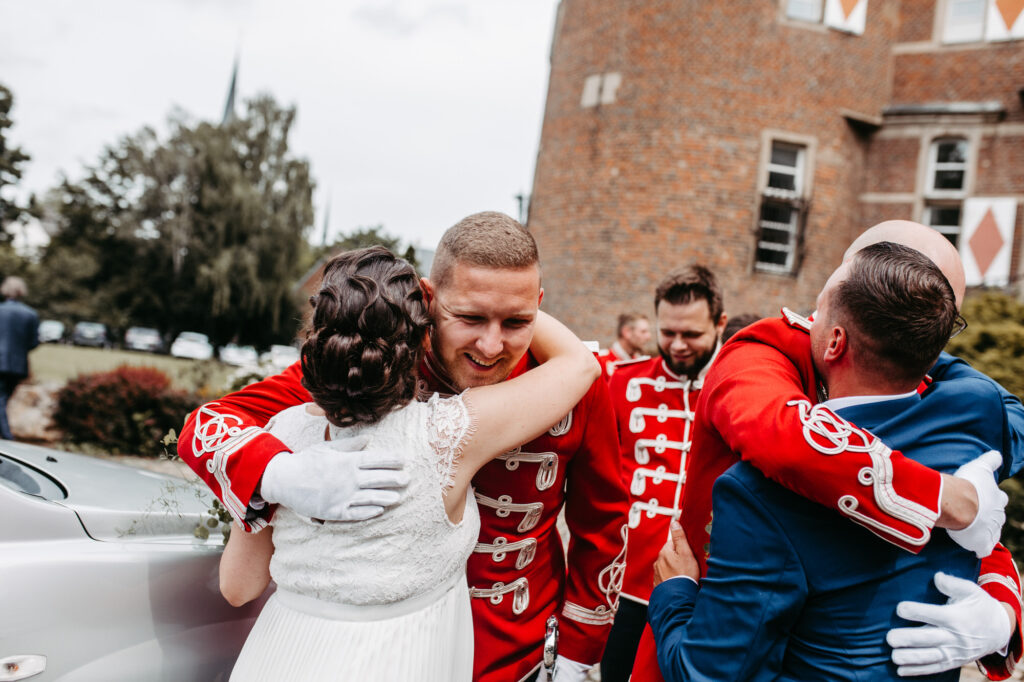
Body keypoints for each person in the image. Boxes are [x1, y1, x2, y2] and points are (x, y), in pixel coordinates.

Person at [179, 212, 629, 682]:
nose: (492, 345)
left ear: (538, 308)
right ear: (429, 299)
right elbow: (208, 424)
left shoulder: (572, 384)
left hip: (518, 645)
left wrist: (579, 655)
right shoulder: (374, 364)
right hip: (397, 647)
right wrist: (280, 474)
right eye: (471, 317)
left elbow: (603, 523)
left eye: (517, 321)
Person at [629, 220, 1023, 682]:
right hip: (721, 620)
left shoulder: (948, 386)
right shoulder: (766, 349)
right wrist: (948, 498)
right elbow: (791, 444)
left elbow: (1002, 447)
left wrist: (1003, 615)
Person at [599, 266, 726, 682]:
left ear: (719, 324)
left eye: (691, 335)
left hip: (707, 587)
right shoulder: (621, 383)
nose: (677, 345)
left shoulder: (738, 389)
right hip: (627, 586)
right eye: (667, 332)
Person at [0, 277, 38, 440]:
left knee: (0, 399)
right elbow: (33, 342)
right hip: (18, 365)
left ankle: (8, 437)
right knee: (3, 398)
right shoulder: (30, 314)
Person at [597, 312, 651, 379]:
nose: (648, 337)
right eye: (643, 331)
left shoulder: (641, 363)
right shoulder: (600, 361)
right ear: (626, 332)